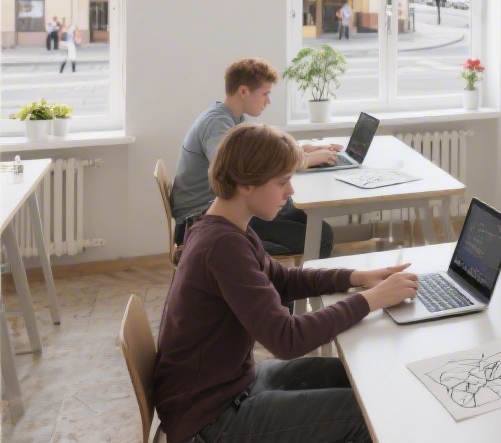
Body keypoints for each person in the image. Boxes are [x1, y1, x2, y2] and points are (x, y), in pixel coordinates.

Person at [153, 123, 420, 443]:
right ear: (245, 184)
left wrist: (356, 278)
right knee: (369, 415)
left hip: (228, 388)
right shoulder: (223, 247)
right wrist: (371, 299)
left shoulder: (225, 228)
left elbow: (281, 279)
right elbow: (287, 340)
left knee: (359, 379)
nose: (290, 191)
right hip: (210, 418)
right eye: (282, 182)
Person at [171, 58, 341, 258]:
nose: (268, 102)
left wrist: (302, 151)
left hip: (213, 211)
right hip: (200, 221)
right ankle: (274, 273)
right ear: (244, 91)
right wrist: (305, 161)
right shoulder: (217, 124)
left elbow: (257, 157)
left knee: (310, 220)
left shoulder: (231, 118)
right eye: (265, 94)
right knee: (321, 235)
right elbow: (236, 170)